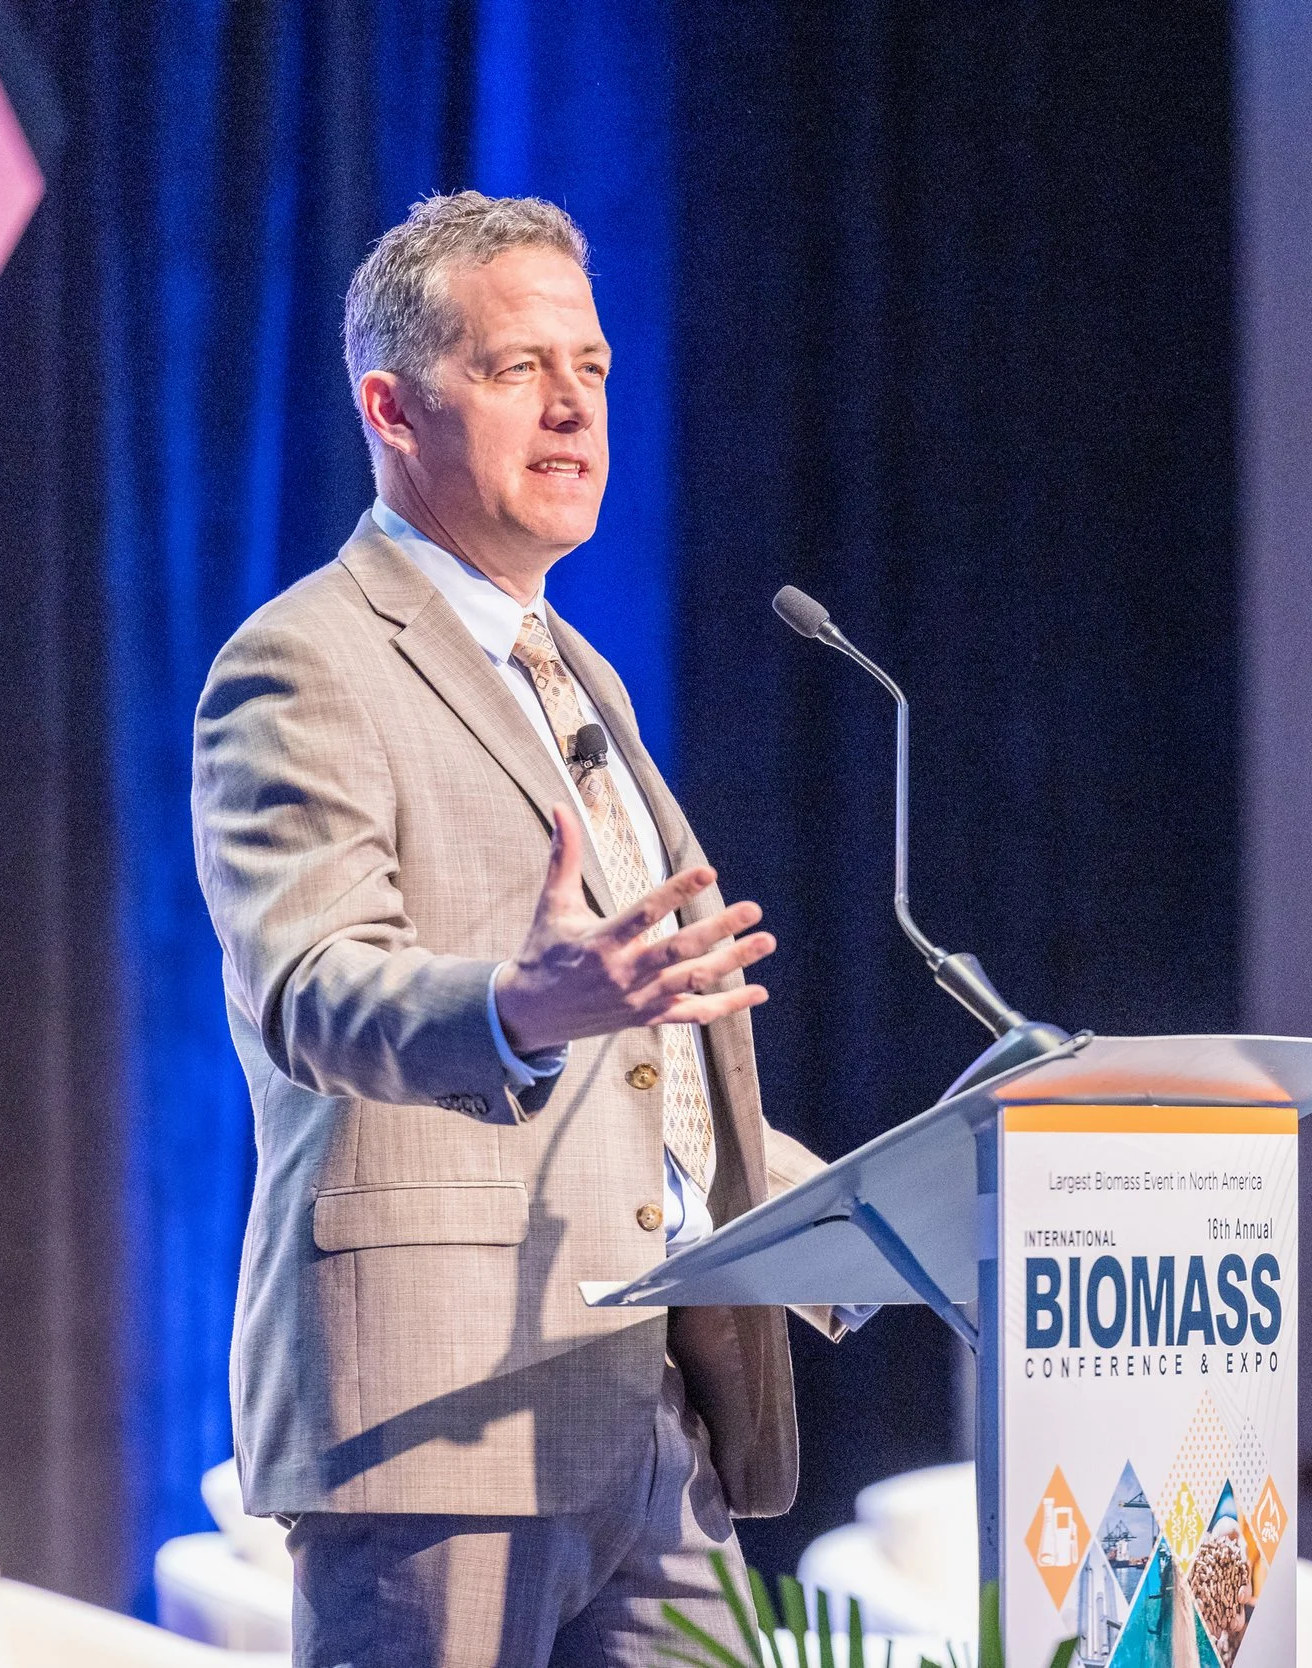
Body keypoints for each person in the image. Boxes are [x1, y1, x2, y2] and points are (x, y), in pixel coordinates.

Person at [191, 191, 848, 1668]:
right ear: (392, 405)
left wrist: (846, 1207)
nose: (574, 410)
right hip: (438, 1412)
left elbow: (644, 1072)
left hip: (648, 1414)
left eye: (595, 371)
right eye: (515, 370)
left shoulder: (579, 675)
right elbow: (309, 987)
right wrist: (519, 1007)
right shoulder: (305, 661)